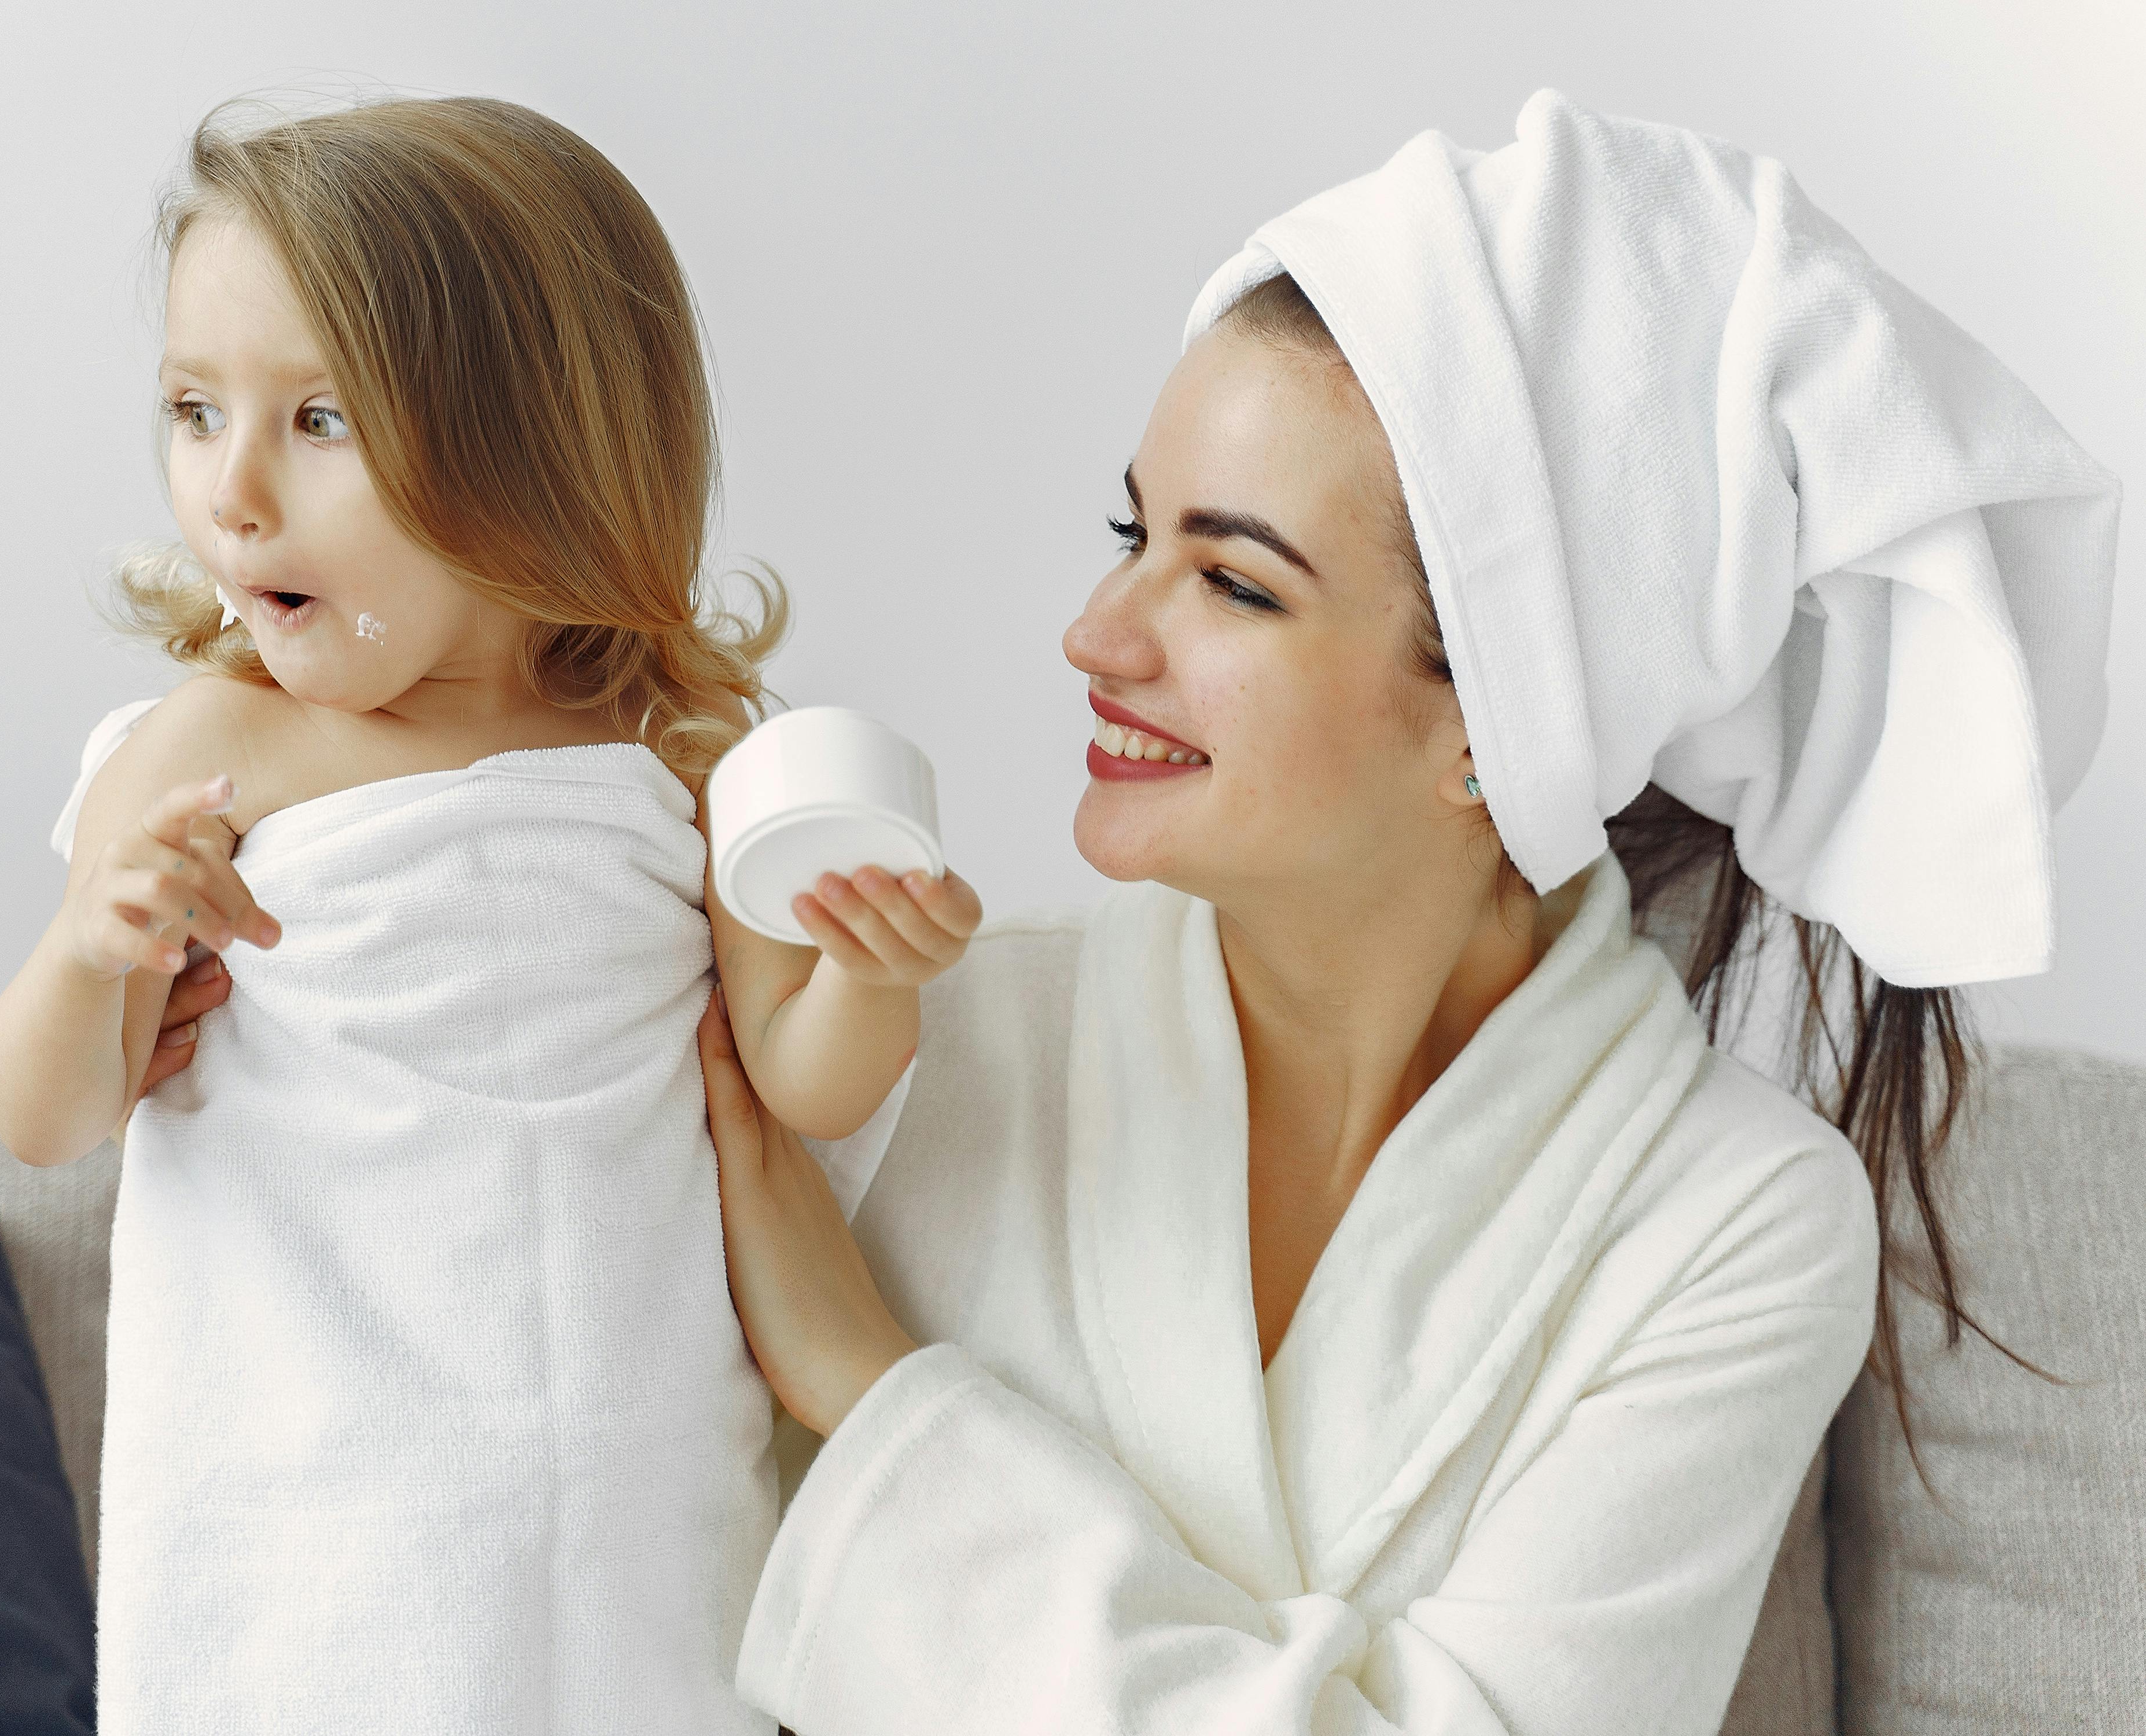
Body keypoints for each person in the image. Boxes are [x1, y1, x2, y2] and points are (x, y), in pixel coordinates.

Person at [145, 89, 2120, 1733]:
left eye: (1231, 584)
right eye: (1130, 533)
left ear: (1493, 729)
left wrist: (877, 1396)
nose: (1094, 636)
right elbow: (471, 1418)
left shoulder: (1731, 1227)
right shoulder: (925, 1038)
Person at [0, 93, 976, 1735]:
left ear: (539, 453)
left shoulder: (674, 757)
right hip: (313, 1536)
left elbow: (799, 1086)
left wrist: (872, 969)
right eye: (189, 407)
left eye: (318, 422)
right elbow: (43, 1113)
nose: (230, 492)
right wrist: (100, 945)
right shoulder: (209, 755)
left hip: (632, 1530)